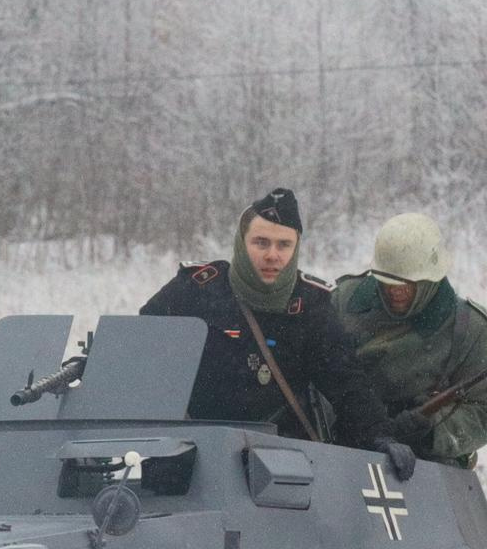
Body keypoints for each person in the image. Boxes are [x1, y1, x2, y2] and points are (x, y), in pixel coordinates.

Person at [139, 187, 396, 458]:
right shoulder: (197, 289)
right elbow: (141, 349)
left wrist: (379, 435)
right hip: (195, 452)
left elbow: (346, 381)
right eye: (261, 242)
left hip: (282, 456)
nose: (272, 255)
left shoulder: (310, 305)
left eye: (284, 245)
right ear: (241, 242)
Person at [335, 212, 487, 466]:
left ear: (430, 279)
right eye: (388, 281)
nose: (395, 291)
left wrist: (432, 430)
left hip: (430, 465)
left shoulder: (470, 328)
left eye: (407, 284)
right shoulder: (345, 301)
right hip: (345, 447)